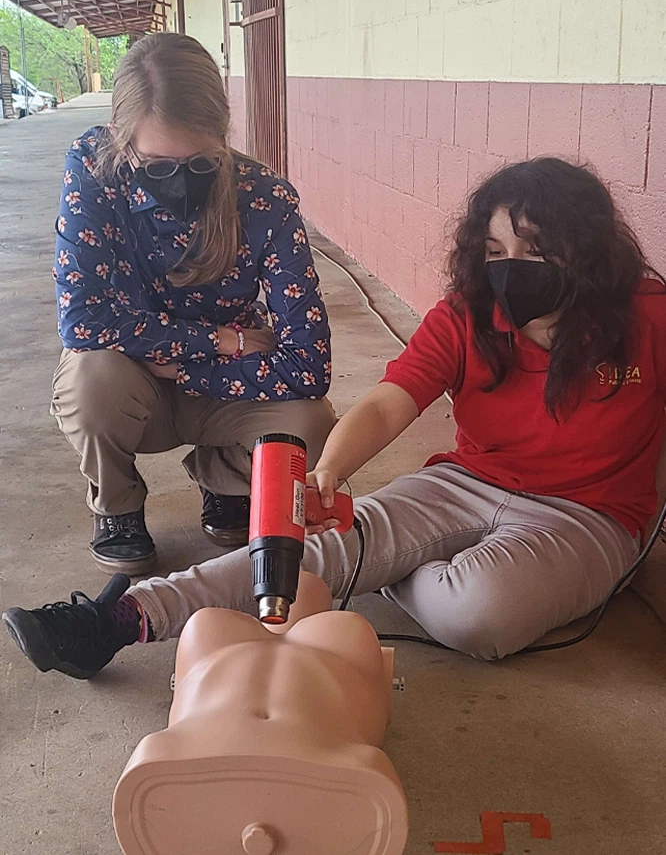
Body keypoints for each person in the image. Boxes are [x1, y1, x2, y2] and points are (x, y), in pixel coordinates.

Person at [4, 158, 665, 673]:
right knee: (317, 540)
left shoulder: (649, 316)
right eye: (494, 254)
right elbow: (388, 401)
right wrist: (329, 473)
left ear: (585, 249)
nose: (510, 272)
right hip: (463, 484)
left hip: (588, 516)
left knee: (476, 616)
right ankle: (121, 619)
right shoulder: (469, 315)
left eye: (533, 250)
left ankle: (382, 565)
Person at [48, 33, 335, 576]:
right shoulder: (94, 170)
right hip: (139, 382)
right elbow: (83, 318)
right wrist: (221, 341)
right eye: (156, 165)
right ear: (121, 138)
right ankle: (118, 507)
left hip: (219, 386)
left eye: (201, 164)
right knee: (91, 379)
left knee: (312, 422)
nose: (179, 182)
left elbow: (310, 365)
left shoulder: (263, 197)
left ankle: (221, 477)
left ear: (224, 138)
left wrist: (185, 366)